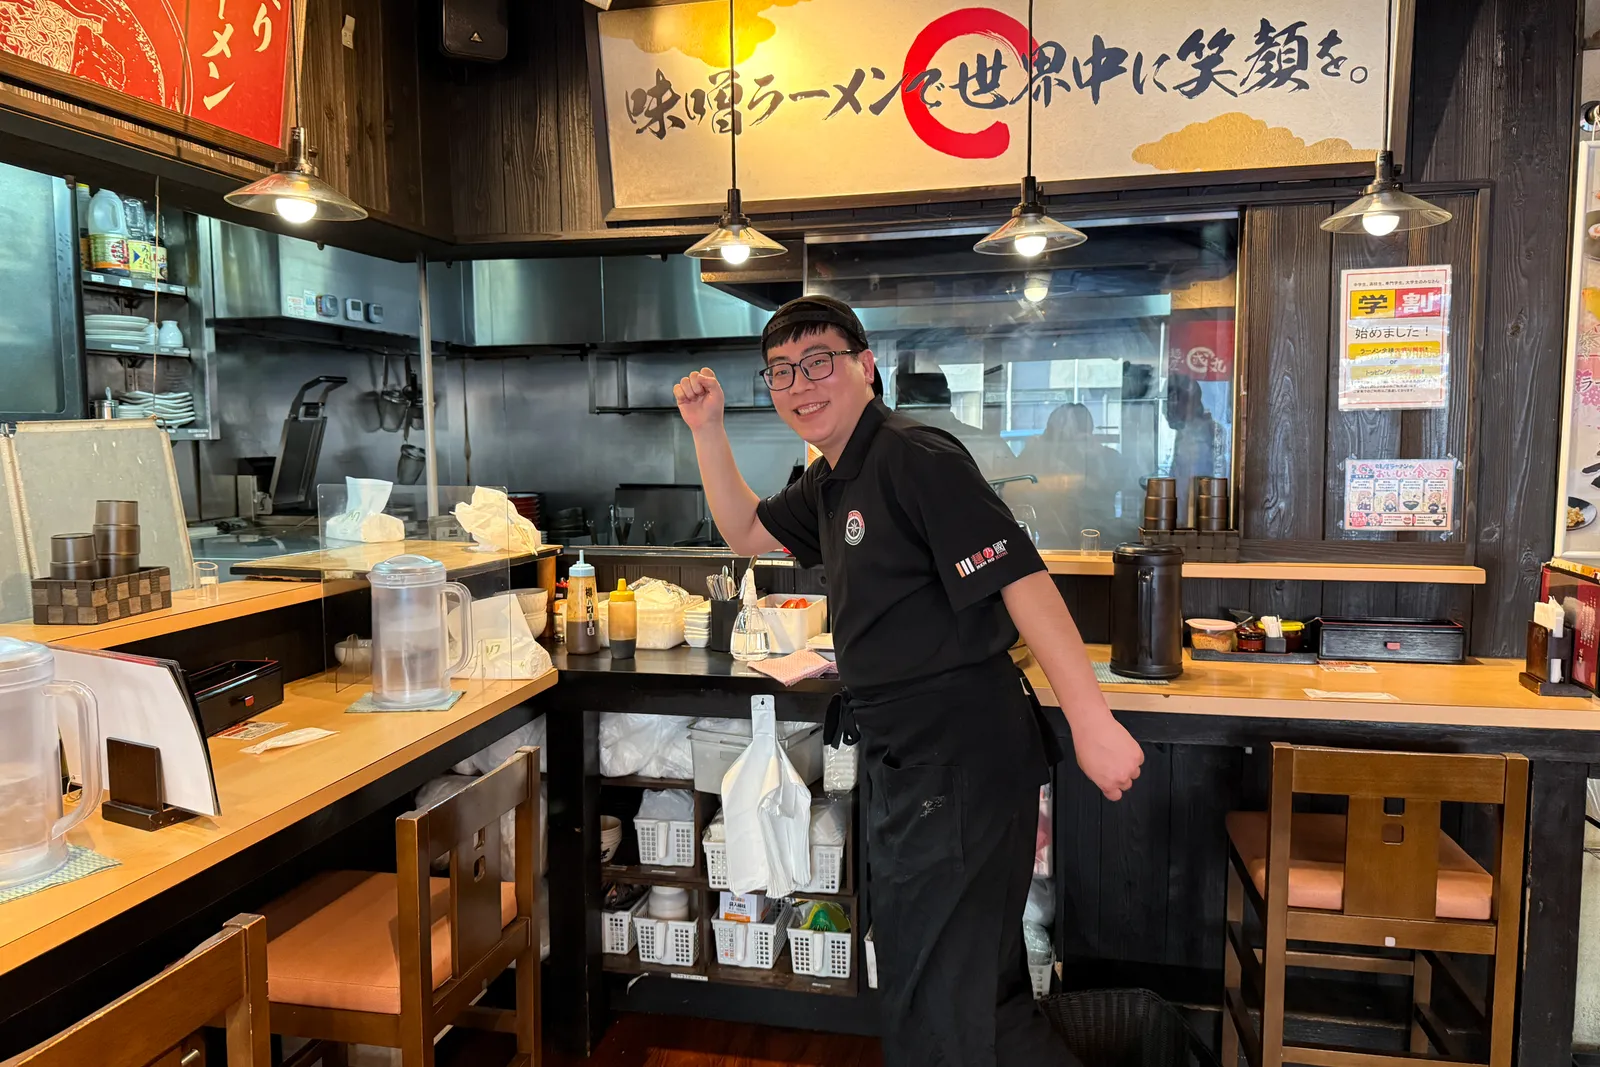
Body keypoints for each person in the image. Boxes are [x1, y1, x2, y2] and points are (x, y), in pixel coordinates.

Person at [674, 295, 1144, 1067]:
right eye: (783, 370)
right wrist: (707, 430)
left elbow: (1022, 581)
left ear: (867, 367)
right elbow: (747, 529)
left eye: (819, 360)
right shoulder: (833, 475)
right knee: (965, 996)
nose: (801, 383)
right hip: (912, 760)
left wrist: (1091, 721)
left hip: (958, 754)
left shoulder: (911, 453)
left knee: (939, 1001)